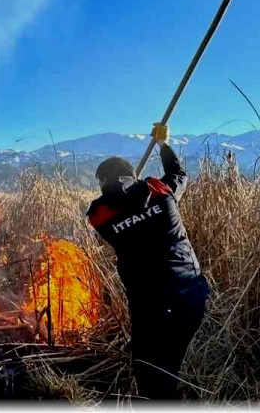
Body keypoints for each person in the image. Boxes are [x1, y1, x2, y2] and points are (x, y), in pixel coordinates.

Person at [85, 123, 211, 400]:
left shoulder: (102, 217)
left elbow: (96, 209)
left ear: (104, 183)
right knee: (168, 366)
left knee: (150, 375)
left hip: (152, 306)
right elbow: (178, 174)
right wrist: (164, 145)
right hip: (192, 295)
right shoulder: (161, 192)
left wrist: (121, 192)